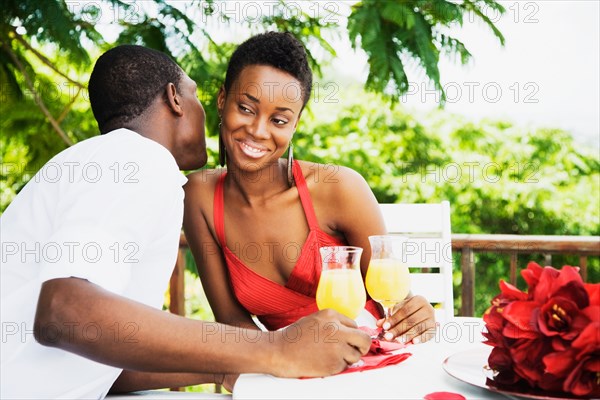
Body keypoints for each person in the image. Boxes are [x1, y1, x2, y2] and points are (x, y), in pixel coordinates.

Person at [0, 44, 371, 399]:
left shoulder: (113, 165)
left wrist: (227, 365)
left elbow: (105, 363)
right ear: (175, 98)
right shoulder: (136, 157)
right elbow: (64, 312)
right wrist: (275, 348)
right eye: (196, 95)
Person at [183, 32, 435, 342]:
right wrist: (285, 364)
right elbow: (232, 320)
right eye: (246, 109)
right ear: (222, 100)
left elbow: (394, 300)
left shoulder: (339, 187)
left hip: (370, 357)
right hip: (282, 370)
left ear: (295, 124)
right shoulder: (199, 196)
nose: (258, 131)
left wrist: (416, 311)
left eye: (279, 120)